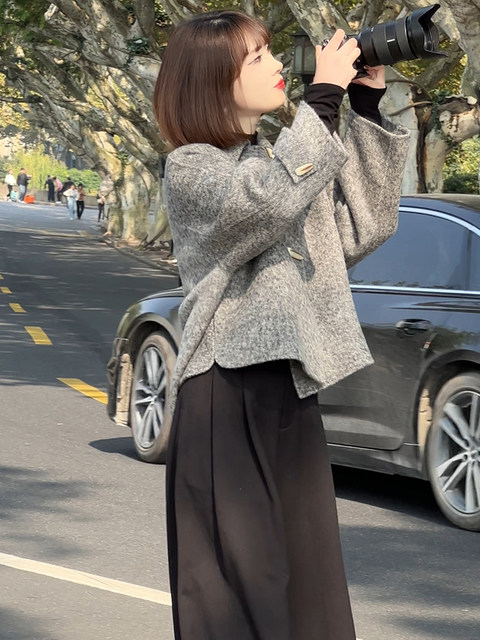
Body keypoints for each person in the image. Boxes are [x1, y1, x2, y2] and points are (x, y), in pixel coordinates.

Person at [154, 10, 410, 640]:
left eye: (271, 52)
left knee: (309, 598)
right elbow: (264, 201)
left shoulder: (278, 158)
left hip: (289, 391)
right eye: (258, 58)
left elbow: (362, 228)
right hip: (224, 392)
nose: (277, 66)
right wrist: (322, 99)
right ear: (212, 81)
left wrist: (364, 108)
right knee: (239, 602)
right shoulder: (191, 169)